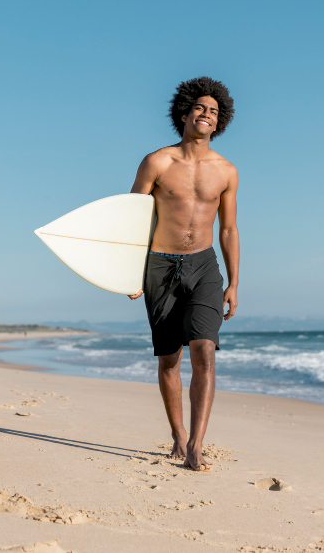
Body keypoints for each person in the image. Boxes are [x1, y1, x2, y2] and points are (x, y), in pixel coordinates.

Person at [128, 76, 239, 471]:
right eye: (200, 108)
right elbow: (131, 219)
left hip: (205, 265)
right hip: (160, 264)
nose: (206, 114)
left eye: (213, 111)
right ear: (185, 112)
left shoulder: (226, 171)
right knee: (170, 360)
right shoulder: (157, 162)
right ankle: (177, 435)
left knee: (205, 349)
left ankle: (196, 445)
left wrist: (234, 283)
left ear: (219, 120)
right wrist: (128, 272)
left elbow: (228, 229)